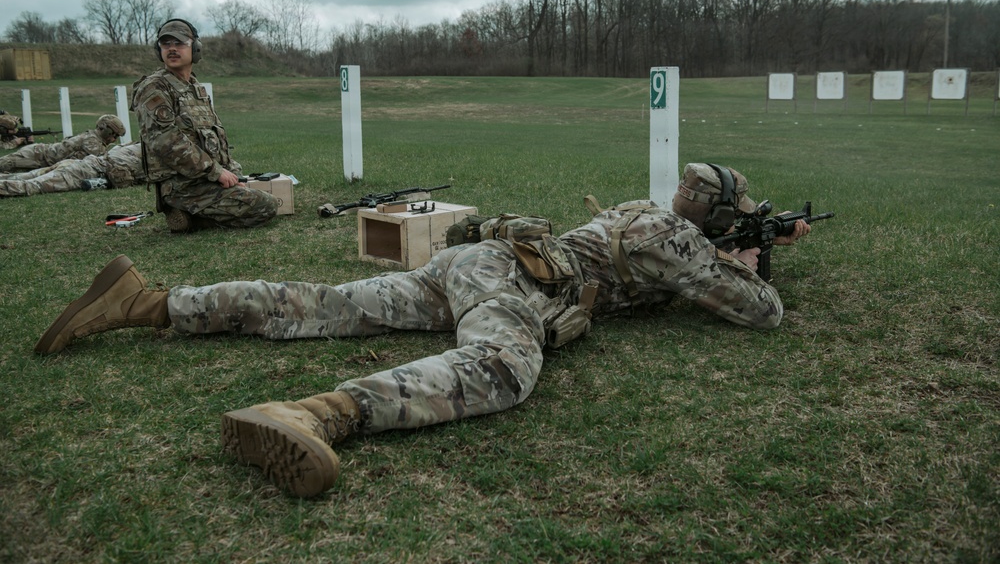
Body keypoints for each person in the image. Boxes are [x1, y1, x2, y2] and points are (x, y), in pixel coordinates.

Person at [35, 163, 812, 499]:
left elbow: (665, 268)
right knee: (505, 366)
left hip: (474, 259)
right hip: (506, 280)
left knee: (327, 303)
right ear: (712, 217)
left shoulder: (644, 215)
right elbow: (759, 312)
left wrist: (730, 250)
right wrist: (744, 260)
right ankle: (315, 415)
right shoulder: (676, 242)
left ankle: (152, 302)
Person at [131, 18, 278, 232]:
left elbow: (213, 138)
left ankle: (192, 214)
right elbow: (165, 141)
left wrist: (232, 173)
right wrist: (216, 172)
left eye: (179, 43)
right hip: (181, 186)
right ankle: (186, 215)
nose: (172, 49)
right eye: (166, 44)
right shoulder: (154, 88)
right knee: (266, 205)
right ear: (158, 50)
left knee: (260, 194)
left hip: (204, 177)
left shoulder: (194, 87)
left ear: (195, 48)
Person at [0, 142, 145, 197]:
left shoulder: (133, 145)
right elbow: (119, 177)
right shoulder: (146, 156)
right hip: (84, 171)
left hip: (77, 164)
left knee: (24, 177)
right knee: (32, 186)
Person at [0, 114, 123, 172]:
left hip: (40, 160)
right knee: (4, 165)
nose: (115, 139)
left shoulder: (95, 139)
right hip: (37, 156)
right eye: (114, 135)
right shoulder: (92, 141)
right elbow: (99, 162)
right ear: (106, 131)